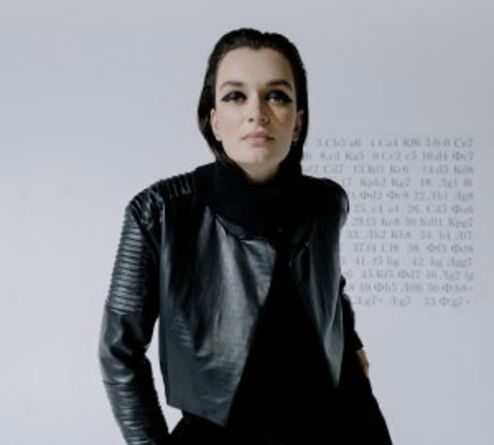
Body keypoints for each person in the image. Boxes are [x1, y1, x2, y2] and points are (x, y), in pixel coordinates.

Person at [98, 27, 393, 445]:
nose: (257, 112)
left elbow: (330, 282)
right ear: (214, 120)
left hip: (344, 422)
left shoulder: (327, 202)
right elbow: (119, 353)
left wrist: (351, 340)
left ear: (298, 122)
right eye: (236, 96)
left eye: (277, 96)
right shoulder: (159, 212)